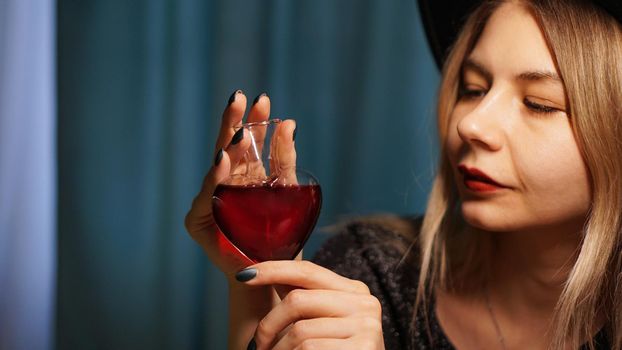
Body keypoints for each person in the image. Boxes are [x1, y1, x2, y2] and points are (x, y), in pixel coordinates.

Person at [184, 0, 622, 349]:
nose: (470, 124)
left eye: (539, 103)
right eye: (472, 89)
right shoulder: (372, 272)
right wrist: (261, 285)